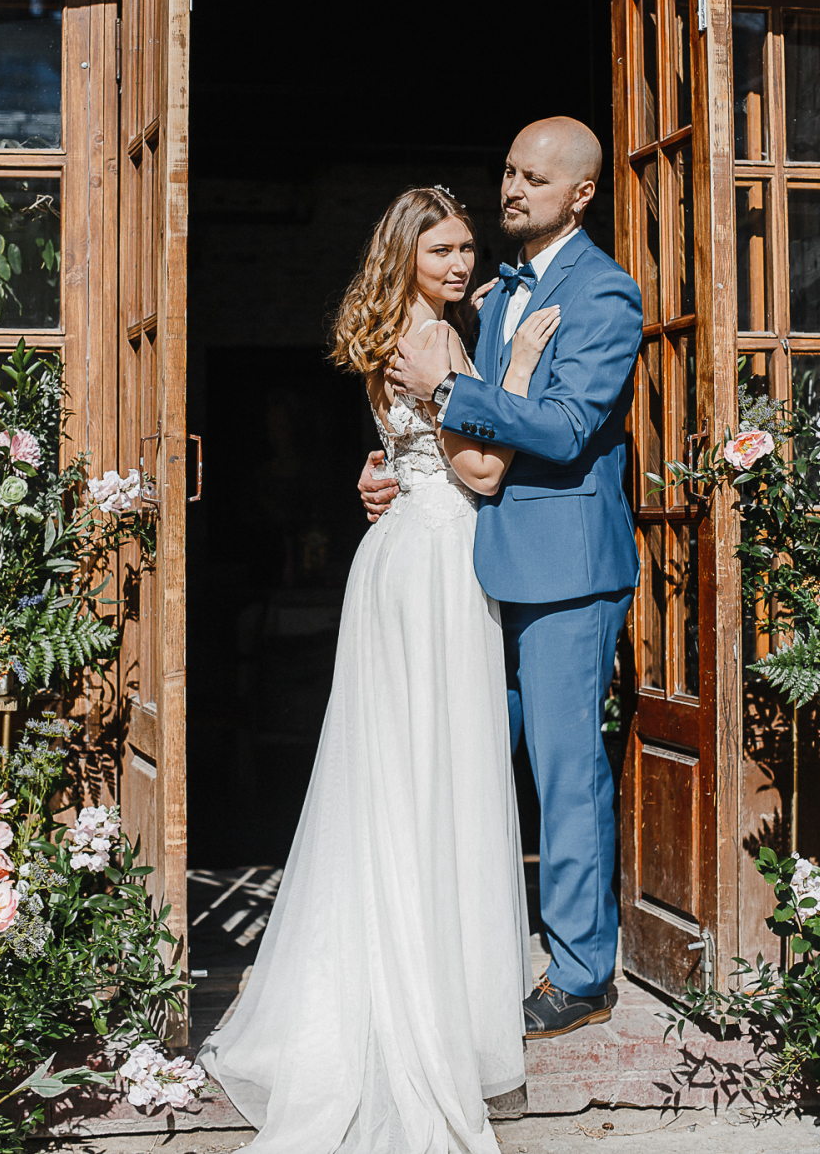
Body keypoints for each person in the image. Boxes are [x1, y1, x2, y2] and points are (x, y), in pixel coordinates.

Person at [200, 186, 562, 1153]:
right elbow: (482, 472)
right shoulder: (435, 337)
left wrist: (385, 469)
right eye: (442, 249)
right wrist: (518, 369)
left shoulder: (388, 332)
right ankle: (434, 994)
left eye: (466, 248)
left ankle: (391, 965)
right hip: (438, 561)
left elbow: (401, 454)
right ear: (407, 254)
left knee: (394, 777)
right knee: (439, 772)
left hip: (395, 555)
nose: (460, 263)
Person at [368, 117, 642, 1039]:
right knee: (472, 763)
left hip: (566, 570)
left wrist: (449, 392)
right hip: (477, 565)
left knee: (566, 776)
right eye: (510, 172)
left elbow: (562, 428)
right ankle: (461, 943)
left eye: (534, 178)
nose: (513, 189)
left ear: (581, 194)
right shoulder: (493, 294)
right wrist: (391, 468)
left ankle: (582, 974)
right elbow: (458, 439)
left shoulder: (605, 293)